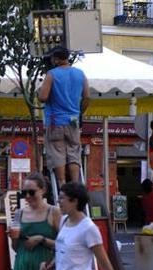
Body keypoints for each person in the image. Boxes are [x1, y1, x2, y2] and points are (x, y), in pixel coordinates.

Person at [38, 46, 90, 187]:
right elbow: (87, 97)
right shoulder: (80, 74)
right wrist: (79, 112)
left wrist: (39, 92)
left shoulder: (52, 74)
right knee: (74, 151)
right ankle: (75, 184)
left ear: (55, 59)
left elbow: (42, 97)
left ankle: (61, 184)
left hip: (55, 121)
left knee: (57, 151)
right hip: (73, 120)